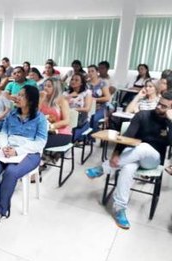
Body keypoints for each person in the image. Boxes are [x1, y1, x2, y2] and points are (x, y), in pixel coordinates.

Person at [86, 91, 172, 229]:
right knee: (128, 168)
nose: (159, 107)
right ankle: (120, 209)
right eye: (159, 104)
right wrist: (116, 153)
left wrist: (171, 121)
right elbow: (128, 136)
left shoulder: (169, 122)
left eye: (164, 107)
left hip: (153, 160)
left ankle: (103, 168)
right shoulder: (143, 115)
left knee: (143, 147)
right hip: (132, 155)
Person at [0, 85, 48, 230]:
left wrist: (18, 151)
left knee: (11, 172)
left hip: (29, 153)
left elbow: (40, 143)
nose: (16, 97)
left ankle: (1, 211)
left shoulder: (40, 119)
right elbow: (3, 133)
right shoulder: (12, 115)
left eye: (21, 95)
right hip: (8, 150)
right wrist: (4, 147)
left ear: (30, 100)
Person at [64, 73, 92, 142]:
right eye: (72, 79)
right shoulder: (66, 93)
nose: (73, 81)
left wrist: (72, 110)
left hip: (81, 117)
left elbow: (87, 108)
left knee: (70, 133)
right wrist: (68, 97)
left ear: (81, 83)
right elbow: (61, 106)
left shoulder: (86, 93)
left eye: (76, 80)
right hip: (67, 115)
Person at [87, 64, 111, 137]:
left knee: (94, 118)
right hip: (88, 106)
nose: (90, 73)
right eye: (89, 71)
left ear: (97, 72)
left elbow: (107, 98)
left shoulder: (102, 83)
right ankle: (82, 137)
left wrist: (95, 99)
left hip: (100, 107)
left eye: (92, 71)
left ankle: (92, 137)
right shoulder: (86, 83)